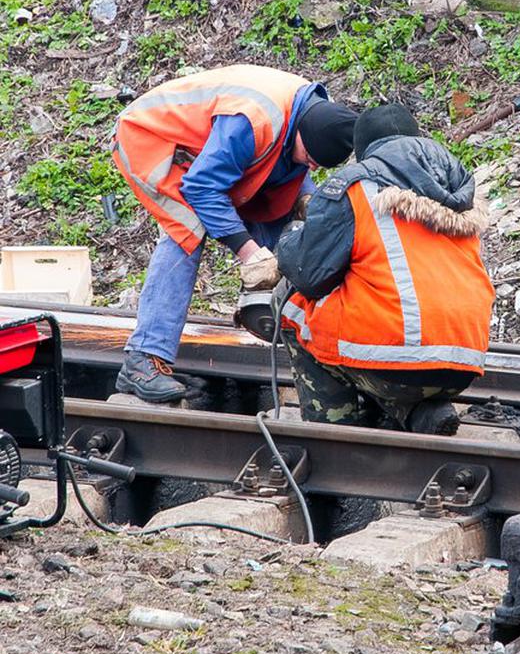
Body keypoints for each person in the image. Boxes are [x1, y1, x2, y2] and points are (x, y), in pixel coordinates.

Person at [111, 63, 356, 402]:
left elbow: (292, 160)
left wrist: (305, 200)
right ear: (305, 136)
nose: (311, 165)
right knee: (187, 233)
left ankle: (308, 345)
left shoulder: (315, 113)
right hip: (159, 143)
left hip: (217, 152)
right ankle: (142, 360)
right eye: (311, 158)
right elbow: (201, 187)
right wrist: (248, 252)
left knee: (283, 225)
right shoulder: (253, 121)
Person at [276, 103, 495, 436]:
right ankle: (418, 412)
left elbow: (310, 275)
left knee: (292, 303)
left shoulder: (355, 187)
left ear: (364, 152)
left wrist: (289, 238)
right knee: (379, 322)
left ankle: (334, 430)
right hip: (464, 364)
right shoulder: (459, 188)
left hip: (393, 366)